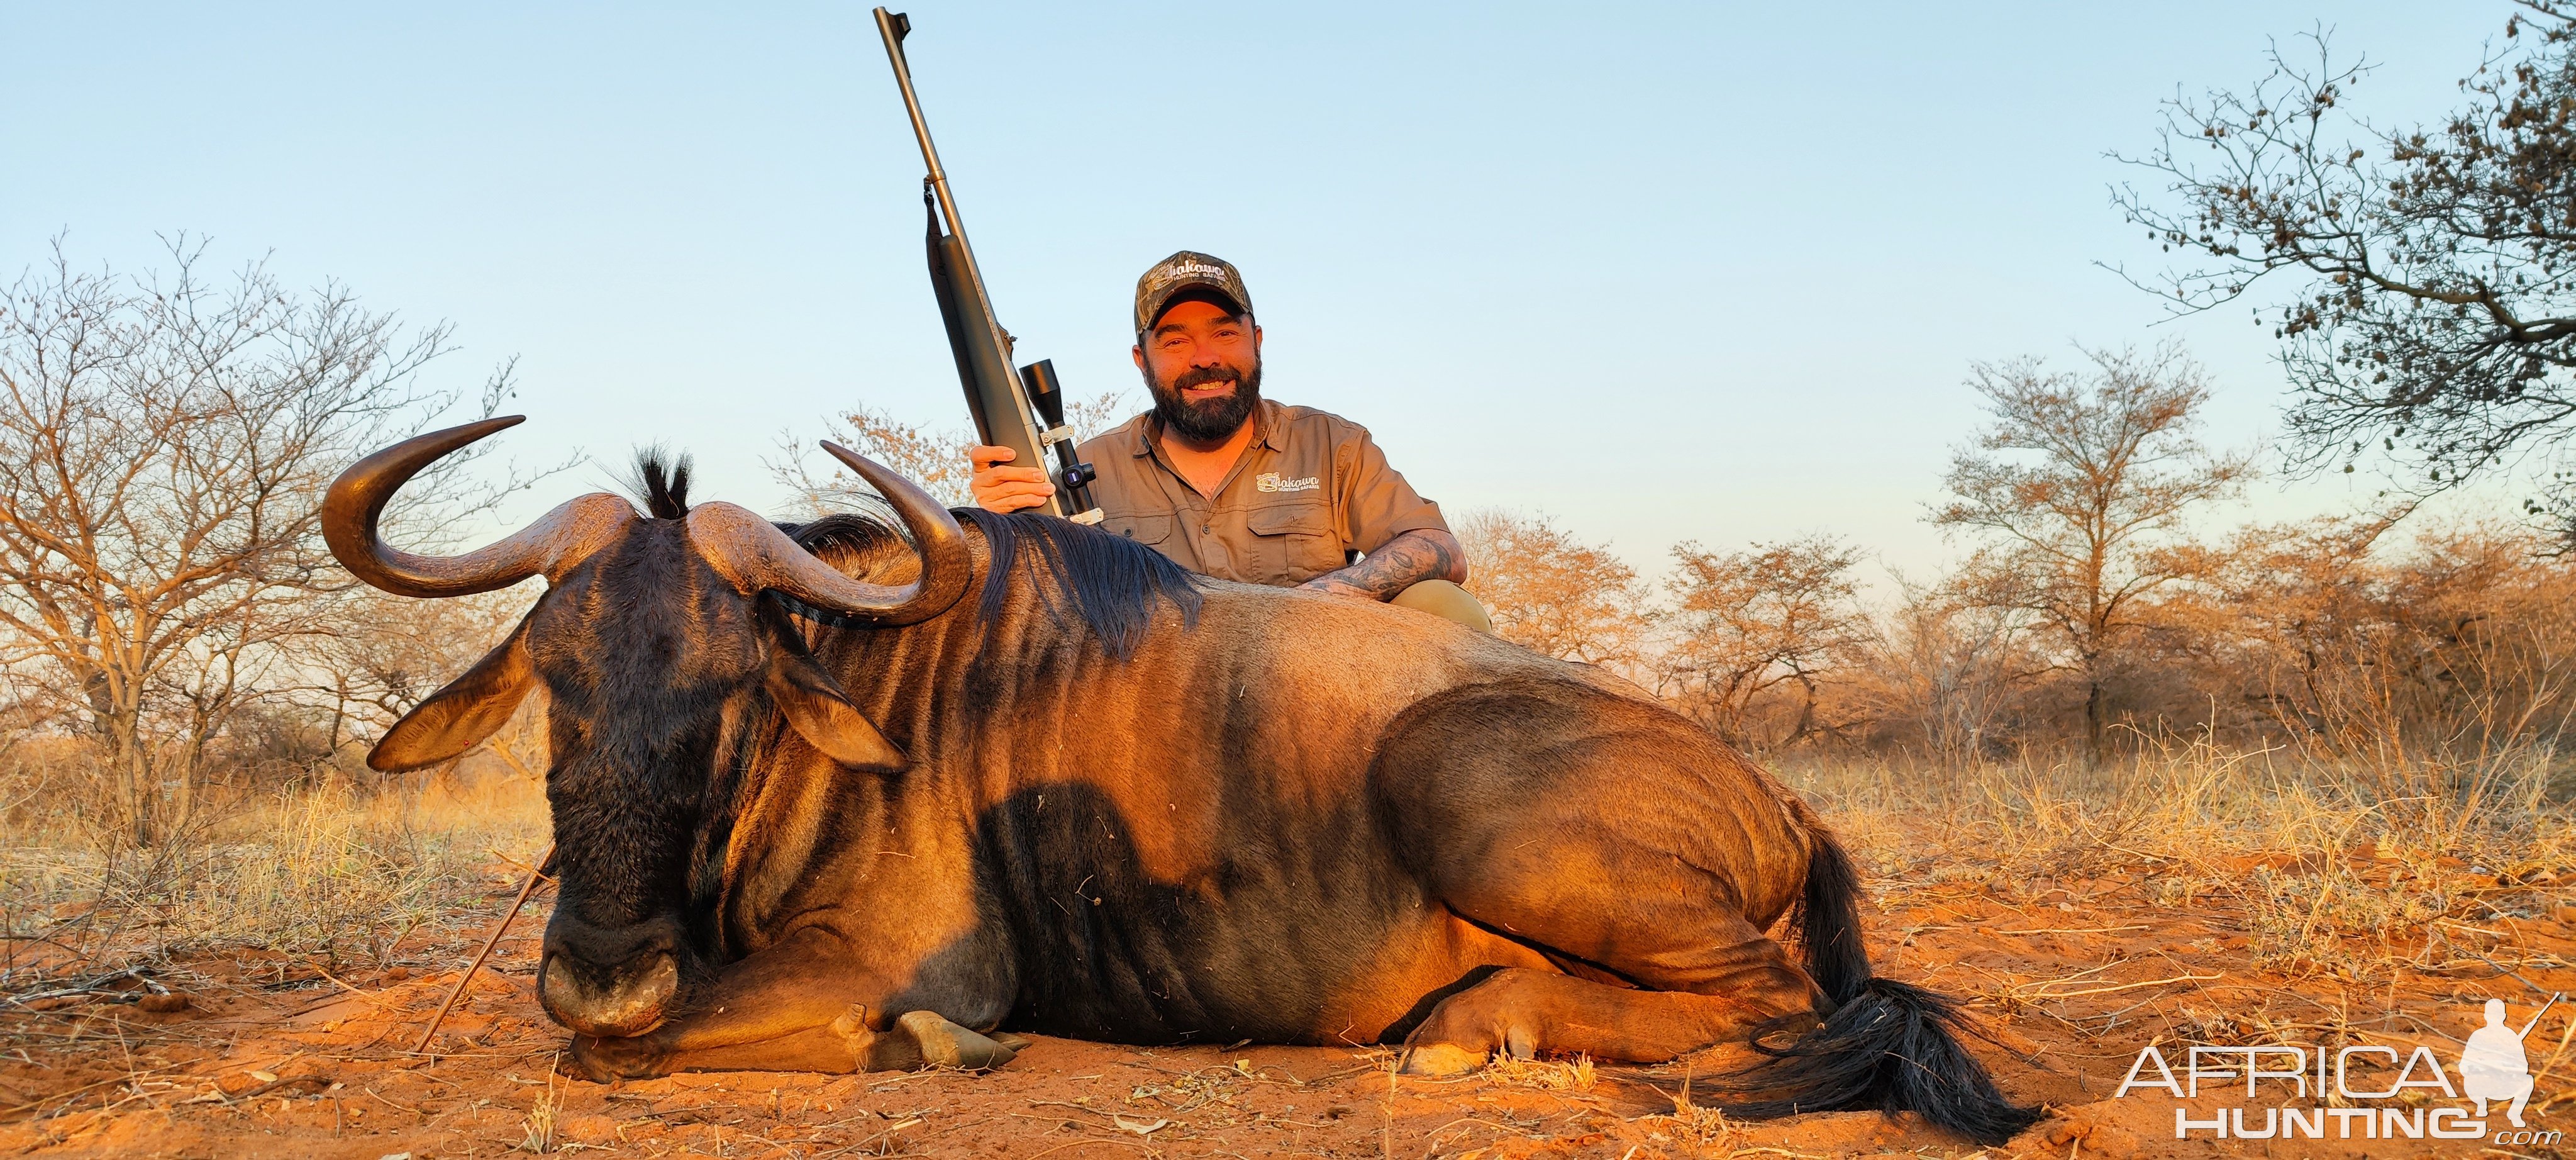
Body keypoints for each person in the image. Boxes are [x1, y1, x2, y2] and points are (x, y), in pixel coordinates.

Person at [968, 251, 1490, 630]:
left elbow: (1439, 547)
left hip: (1313, 690)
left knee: (1444, 606)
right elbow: (1035, 609)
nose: (1204, 357)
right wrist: (998, 526)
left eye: (1224, 333)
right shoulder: (1086, 469)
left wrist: (1316, 601)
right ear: (1141, 360)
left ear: (1256, 341)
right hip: (1156, 710)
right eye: (1175, 341)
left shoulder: (1333, 444)